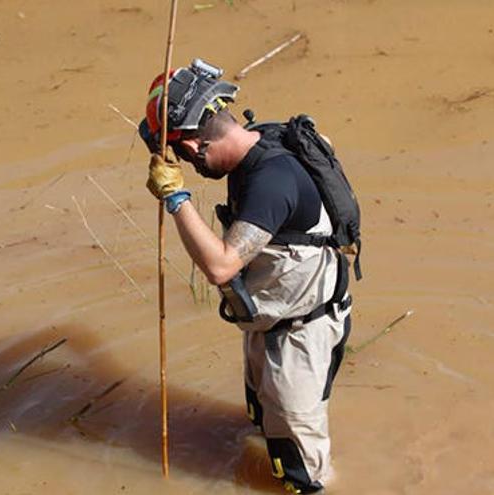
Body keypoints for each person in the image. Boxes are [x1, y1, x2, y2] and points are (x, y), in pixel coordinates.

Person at [139, 59, 354, 494]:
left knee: (303, 475)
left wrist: (176, 197)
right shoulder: (255, 148)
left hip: (299, 340)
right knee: (260, 426)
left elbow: (220, 266)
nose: (183, 162)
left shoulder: (272, 183)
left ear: (197, 143)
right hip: (268, 324)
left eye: (179, 152)